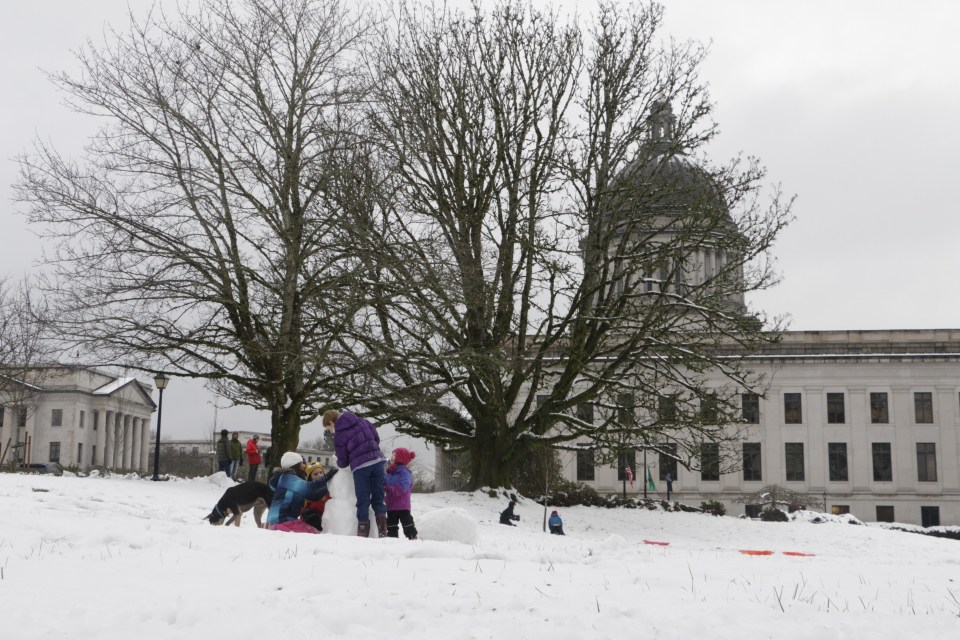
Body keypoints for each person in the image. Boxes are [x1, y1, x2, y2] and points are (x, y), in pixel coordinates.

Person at [323, 409, 388, 538]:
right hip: (378, 461)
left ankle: (362, 533)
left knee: (363, 500)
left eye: (328, 427)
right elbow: (376, 438)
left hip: (361, 467)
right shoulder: (362, 421)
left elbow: (342, 460)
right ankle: (383, 531)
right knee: (378, 498)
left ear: (331, 422)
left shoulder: (339, 434)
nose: (330, 430)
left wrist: (345, 461)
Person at [266, 451, 337, 533]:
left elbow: (312, 495)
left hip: (285, 520)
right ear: (295, 466)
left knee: (314, 531)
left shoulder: (292, 480)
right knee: (314, 534)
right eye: (301, 464)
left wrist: (329, 487)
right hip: (281, 520)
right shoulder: (287, 478)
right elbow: (309, 487)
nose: (304, 466)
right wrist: (326, 477)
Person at [384, 447, 418, 540]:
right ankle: (392, 541)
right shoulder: (390, 473)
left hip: (402, 506)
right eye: (392, 455)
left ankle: (413, 538)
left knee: (407, 524)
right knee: (391, 526)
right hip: (391, 505)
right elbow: (384, 483)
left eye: (394, 455)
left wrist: (389, 489)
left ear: (401, 458)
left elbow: (403, 487)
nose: (392, 457)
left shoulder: (405, 473)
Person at [300, 462, 332, 532]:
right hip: (313, 522)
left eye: (321, 472)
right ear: (310, 478)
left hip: (327, 520)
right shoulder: (308, 493)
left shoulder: (329, 489)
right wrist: (305, 513)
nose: (319, 475)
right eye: (315, 474)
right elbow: (303, 511)